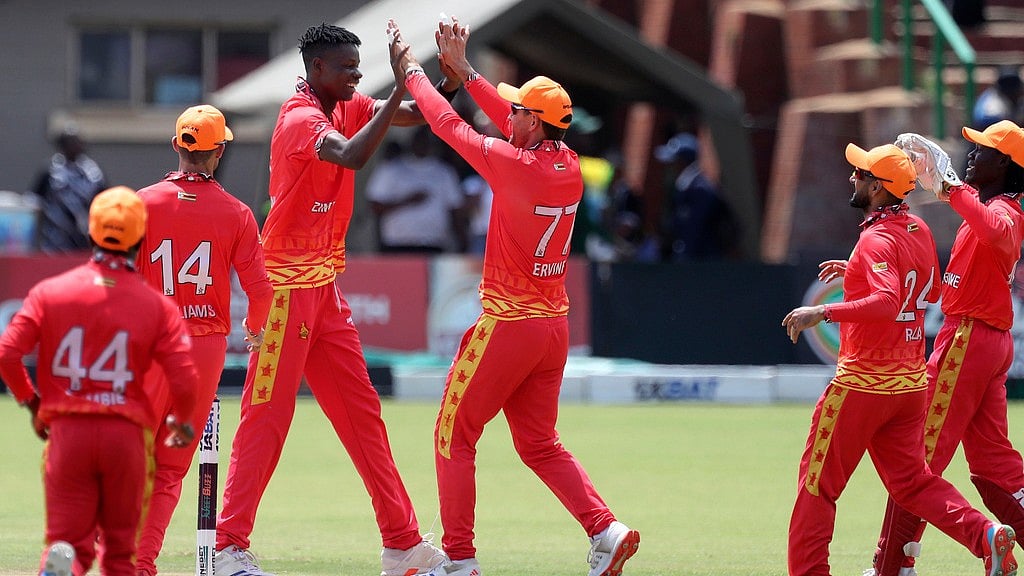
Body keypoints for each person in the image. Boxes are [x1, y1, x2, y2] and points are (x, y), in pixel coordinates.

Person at [387, 17, 640, 576]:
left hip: (508, 323)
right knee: (539, 443)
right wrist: (468, 71)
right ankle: (605, 529)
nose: (509, 115)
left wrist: (412, 74)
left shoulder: (510, 164)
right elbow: (511, 122)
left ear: (533, 121)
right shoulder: (566, 166)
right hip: (552, 328)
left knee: (454, 434)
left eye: (518, 110)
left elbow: (449, 126)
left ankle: (458, 560)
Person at [213, 22, 458, 576]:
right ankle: (229, 547)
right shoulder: (301, 118)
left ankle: (402, 544)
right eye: (347, 68)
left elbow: (419, 116)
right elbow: (349, 156)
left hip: (323, 287)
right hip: (283, 291)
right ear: (317, 70)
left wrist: (451, 76)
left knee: (363, 415)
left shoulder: (342, 105)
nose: (355, 76)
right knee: (267, 417)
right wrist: (397, 84)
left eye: (358, 68)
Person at [781, 142, 1018, 576]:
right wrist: (854, 269)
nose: (852, 178)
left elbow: (889, 299)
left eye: (860, 173)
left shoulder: (875, 239)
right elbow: (923, 289)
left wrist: (824, 310)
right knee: (915, 482)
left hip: (861, 381)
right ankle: (983, 534)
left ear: (877, 188)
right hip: (909, 384)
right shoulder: (918, 229)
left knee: (817, 486)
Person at [0, 186, 199, 576]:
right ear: (139, 238)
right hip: (125, 438)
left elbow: (7, 352)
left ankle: (65, 564)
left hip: (68, 433)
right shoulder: (157, 307)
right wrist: (182, 420)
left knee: (67, 541)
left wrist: (31, 400)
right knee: (120, 554)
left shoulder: (50, 293)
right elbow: (185, 377)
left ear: (92, 233)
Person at [868, 121, 1024, 576]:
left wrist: (952, 186)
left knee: (917, 460)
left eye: (983, 150)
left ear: (1007, 165)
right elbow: (948, 286)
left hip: (967, 341)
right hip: (983, 340)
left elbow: (997, 229)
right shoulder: (994, 205)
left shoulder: (1007, 211)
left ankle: (892, 564)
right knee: (994, 463)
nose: (971, 154)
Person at [132, 105, 274, 576]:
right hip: (204, 350)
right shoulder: (236, 214)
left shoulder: (142, 203)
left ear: (177, 146)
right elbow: (261, 292)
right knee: (171, 468)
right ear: (218, 153)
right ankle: (142, 563)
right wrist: (254, 332)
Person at [367, 125, 466, 253]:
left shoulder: (444, 172)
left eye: (427, 141)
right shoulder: (391, 169)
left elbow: (455, 209)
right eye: (419, 140)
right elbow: (375, 206)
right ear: (411, 142)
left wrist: (462, 240)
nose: (422, 144)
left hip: (433, 243)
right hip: (397, 244)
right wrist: (407, 201)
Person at [654, 132, 738, 261]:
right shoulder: (688, 187)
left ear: (682, 162)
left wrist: (684, 259)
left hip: (702, 263)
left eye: (673, 162)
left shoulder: (700, 189)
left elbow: (694, 229)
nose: (670, 167)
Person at [32, 124, 107, 253]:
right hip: (55, 239)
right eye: (69, 142)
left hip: (84, 238)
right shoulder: (50, 171)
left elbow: (105, 200)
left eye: (77, 142)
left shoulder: (93, 173)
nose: (74, 146)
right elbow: (34, 200)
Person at [973, 66, 1023, 130]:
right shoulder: (991, 105)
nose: (1012, 89)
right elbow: (985, 125)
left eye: (1014, 84)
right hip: (987, 133)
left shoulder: (1017, 99)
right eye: (1007, 84)